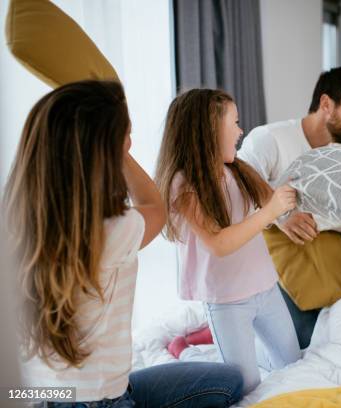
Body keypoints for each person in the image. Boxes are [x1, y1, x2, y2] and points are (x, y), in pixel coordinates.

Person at [4, 81, 243, 407]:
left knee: (225, 379)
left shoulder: (16, 226)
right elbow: (156, 207)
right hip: (95, 400)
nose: (130, 142)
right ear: (106, 151)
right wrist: (120, 150)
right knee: (231, 385)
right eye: (125, 137)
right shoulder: (112, 230)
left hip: (43, 394)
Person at [155, 89, 301, 394]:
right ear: (208, 130)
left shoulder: (238, 169)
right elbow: (220, 244)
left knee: (292, 363)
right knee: (243, 387)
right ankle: (184, 348)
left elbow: (271, 205)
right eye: (234, 123)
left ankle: (224, 342)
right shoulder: (184, 185)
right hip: (227, 301)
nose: (240, 130)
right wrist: (272, 211)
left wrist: (287, 218)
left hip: (265, 288)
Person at [238, 66, 341, 348]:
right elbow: (239, 179)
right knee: (307, 340)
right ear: (326, 104)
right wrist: (282, 216)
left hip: (326, 249)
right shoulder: (270, 138)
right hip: (277, 259)